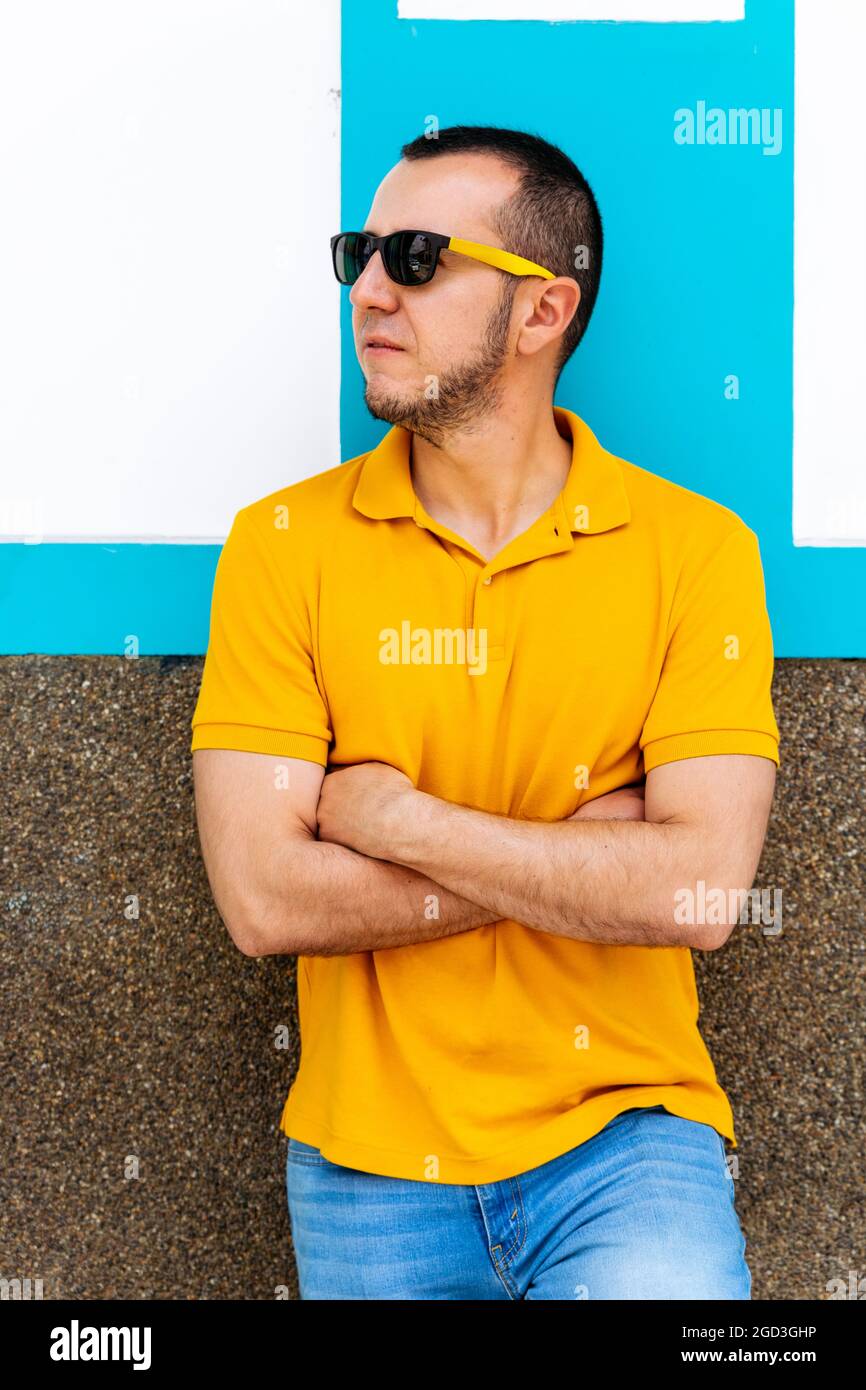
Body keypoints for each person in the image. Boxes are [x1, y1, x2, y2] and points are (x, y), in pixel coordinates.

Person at [190, 125, 779, 1300]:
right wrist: (592, 850)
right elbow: (261, 900)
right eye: (357, 251)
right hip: (365, 1161)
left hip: (626, 1139)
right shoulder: (280, 547)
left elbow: (703, 893)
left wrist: (396, 821)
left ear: (541, 311)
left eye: (414, 257)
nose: (367, 289)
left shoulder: (696, 552)